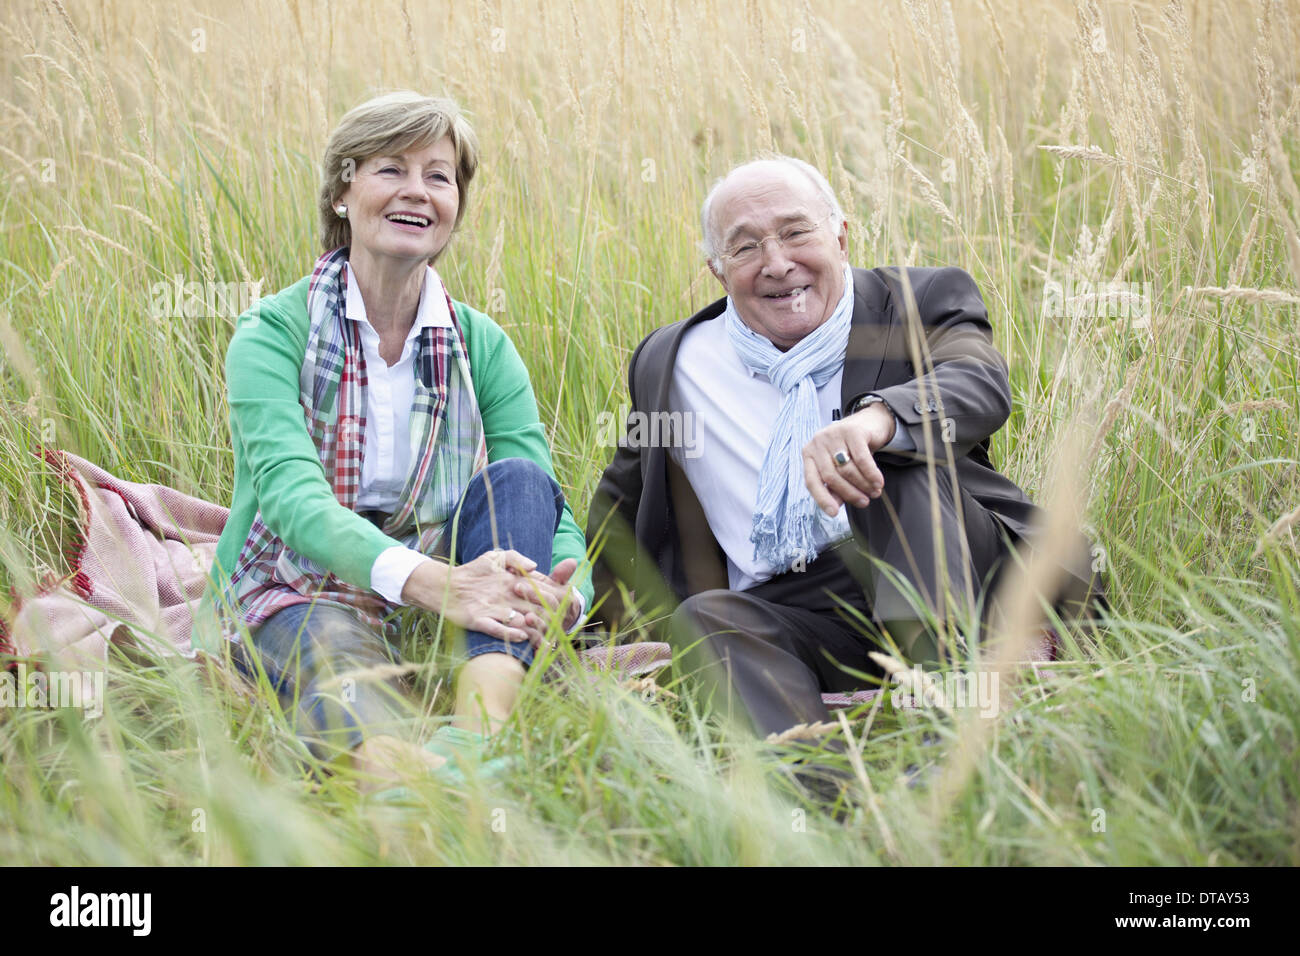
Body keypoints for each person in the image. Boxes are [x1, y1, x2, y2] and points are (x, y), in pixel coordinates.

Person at [586, 155, 1103, 738]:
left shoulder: (917, 300)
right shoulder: (674, 362)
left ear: (840, 233)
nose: (777, 264)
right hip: (798, 608)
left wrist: (877, 421)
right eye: (746, 247)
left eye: (795, 232)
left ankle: (944, 726)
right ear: (716, 269)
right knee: (705, 617)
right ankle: (811, 784)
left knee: (884, 465)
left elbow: (979, 386)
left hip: (948, 561)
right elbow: (621, 506)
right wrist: (570, 607)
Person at [203, 91, 591, 792]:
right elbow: (292, 502)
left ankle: (481, 732)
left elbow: (541, 500)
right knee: (336, 668)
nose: (418, 191)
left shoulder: (481, 343)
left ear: (456, 207)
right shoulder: (272, 333)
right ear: (343, 192)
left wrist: (570, 592)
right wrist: (433, 585)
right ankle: (396, 781)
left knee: (518, 487)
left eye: (439, 176)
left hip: (452, 575)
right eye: (390, 169)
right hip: (304, 584)